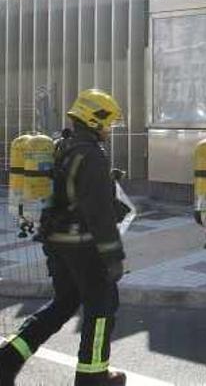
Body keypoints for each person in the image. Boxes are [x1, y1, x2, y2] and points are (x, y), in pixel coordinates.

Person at [0, 89, 127, 385]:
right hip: (83, 246)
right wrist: (113, 257)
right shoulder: (92, 155)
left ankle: (7, 358)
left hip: (55, 241)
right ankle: (93, 377)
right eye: (107, 123)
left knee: (65, 302)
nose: (109, 130)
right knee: (101, 307)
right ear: (95, 121)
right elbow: (99, 215)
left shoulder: (61, 146)